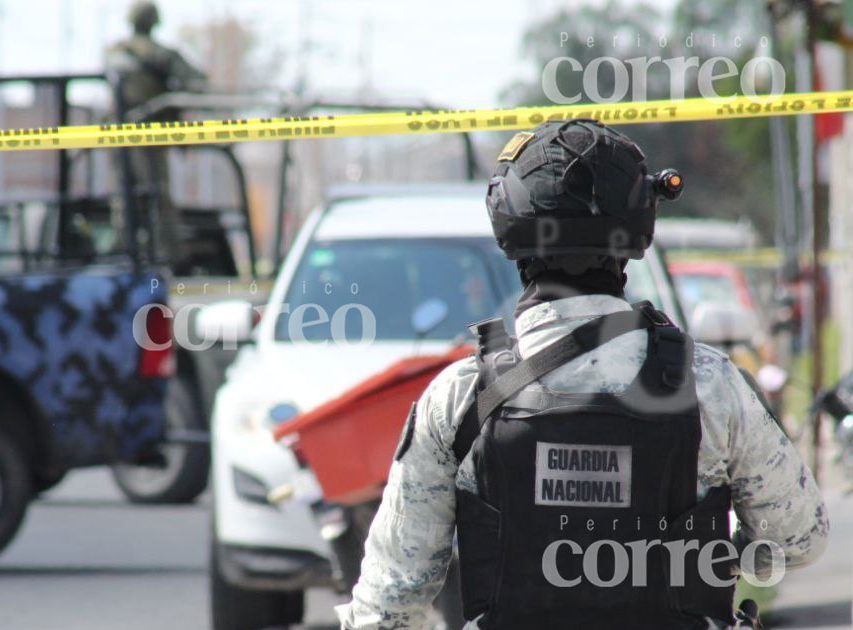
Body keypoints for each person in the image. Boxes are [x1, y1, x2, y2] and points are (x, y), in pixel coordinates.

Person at [337, 120, 828, 630]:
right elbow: (799, 538)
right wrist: (715, 565)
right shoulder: (708, 385)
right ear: (638, 226)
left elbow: (386, 608)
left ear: (508, 227)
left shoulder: (462, 397)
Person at [105, 1, 208, 272]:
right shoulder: (161, 54)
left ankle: (125, 255)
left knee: (125, 197)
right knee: (156, 196)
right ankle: (170, 258)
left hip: (120, 135)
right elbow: (197, 82)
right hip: (147, 135)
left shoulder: (114, 51)